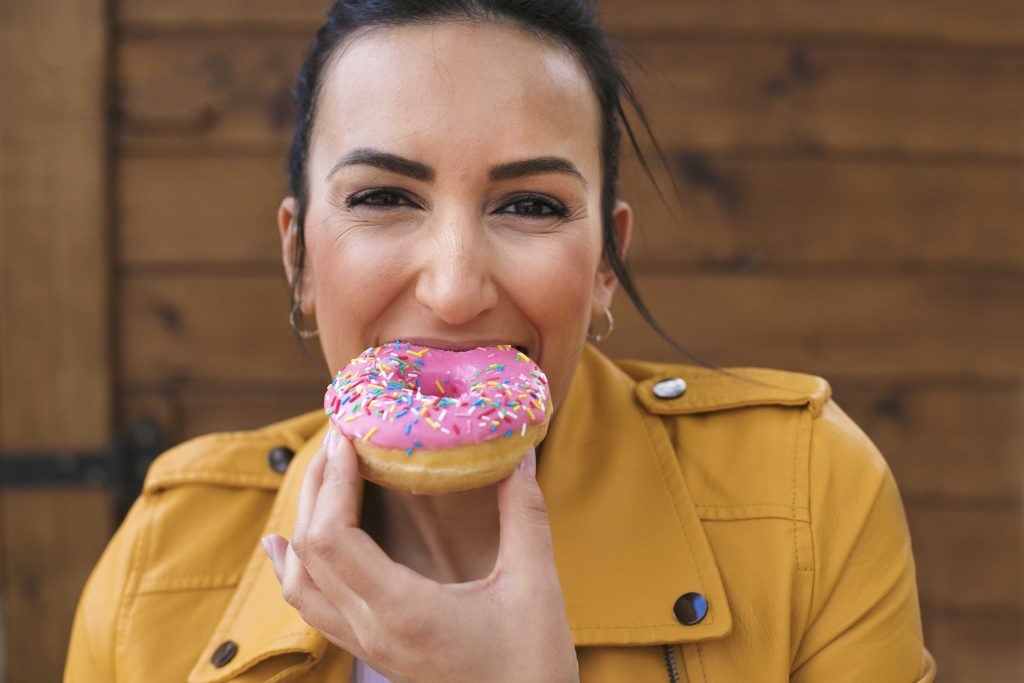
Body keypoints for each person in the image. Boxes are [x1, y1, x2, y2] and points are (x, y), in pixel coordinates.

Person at [65, 1, 937, 681]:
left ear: (605, 265)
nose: (452, 291)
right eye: (382, 197)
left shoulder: (807, 499)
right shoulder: (159, 564)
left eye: (530, 206)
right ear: (298, 258)